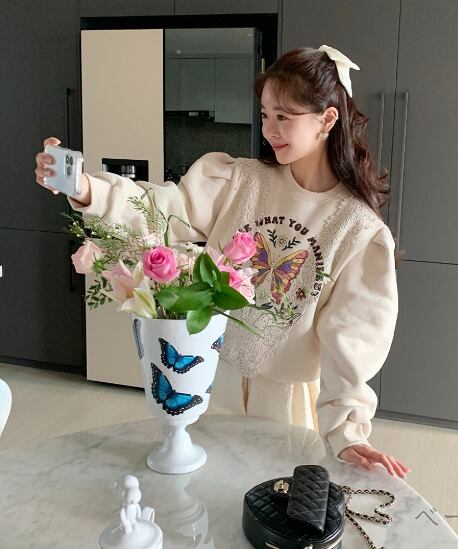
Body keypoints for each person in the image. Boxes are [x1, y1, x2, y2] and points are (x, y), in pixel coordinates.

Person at [35, 45, 410, 479]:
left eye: (284, 116)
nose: (269, 130)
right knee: (200, 496)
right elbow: (164, 209)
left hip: (288, 404)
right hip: (210, 376)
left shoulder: (356, 229)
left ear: (327, 119)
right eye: (265, 114)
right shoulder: (241, 180)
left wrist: (350, 435)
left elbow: (351, 343)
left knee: (269, 502)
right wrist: (85, 188)